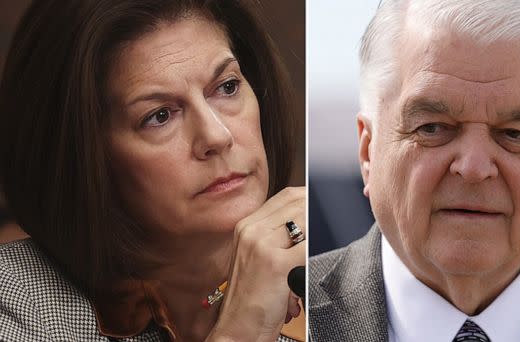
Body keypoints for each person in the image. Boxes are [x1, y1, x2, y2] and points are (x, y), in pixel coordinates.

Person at [0, 0, 305, 341]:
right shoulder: (19, 299)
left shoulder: (329, 284)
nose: (217, 136)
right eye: (160, 116)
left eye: (227, 87)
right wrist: (240, 332)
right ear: (86, 158)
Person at [309, 0, 520, 341]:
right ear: (368, 152)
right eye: (433, 127)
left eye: (515, 134)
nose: (474, 168)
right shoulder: (286, 317)